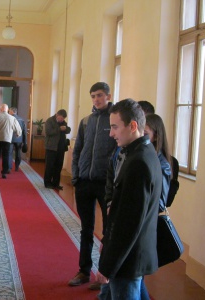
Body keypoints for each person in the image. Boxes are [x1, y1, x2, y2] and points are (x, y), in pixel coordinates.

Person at [96, 99, 162, 299]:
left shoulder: (138, 162)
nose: (111, 133)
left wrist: (107, 266)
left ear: (133, 126)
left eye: (115, 127)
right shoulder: (141, 152)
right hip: (129, 254)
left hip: (128, 258)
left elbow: (128, 224)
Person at [69, 82, 116, 286]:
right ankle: (83, 271)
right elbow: (78, 149)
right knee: (86, 229)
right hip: (84, 182)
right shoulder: (86, 121)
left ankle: (103, 274)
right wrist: (76, 175)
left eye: (99, 95)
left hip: (105, 184)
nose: (96, 99)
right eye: (93, 96)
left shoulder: (115, 120)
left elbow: (119, 152)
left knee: (108, 231)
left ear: (108, 96)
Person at [0, 104, 22, 179]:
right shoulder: (12, 118)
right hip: (7, 139)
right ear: (7, 109)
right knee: (5, 155)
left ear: (0, 109)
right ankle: (4, 172)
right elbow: (18, 128)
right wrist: (18, 134)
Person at [44, 109, 71, 190]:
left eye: (63, 119)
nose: (62, 120)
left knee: (58, 166)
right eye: (61, 118)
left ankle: (56, 183)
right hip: (51, 147)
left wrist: (65, 128)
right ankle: (48, 183)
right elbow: (48, 132)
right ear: (57, 115)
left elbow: (68, 130)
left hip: (61, 148)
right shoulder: (50, 120)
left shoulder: (63, 122)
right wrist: (59, 129)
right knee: (50, 166)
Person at [8, 107, 27, 172]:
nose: (8, 112)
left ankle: (9, 167)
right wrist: (25, 142)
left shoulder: (9, 119)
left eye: (9, 111)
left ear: (12, 111)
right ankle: (17, 166)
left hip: (10, 138)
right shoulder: (21, 119)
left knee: (9, 153)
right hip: (19, 139)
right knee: (18, 152)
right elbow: (24, 131)